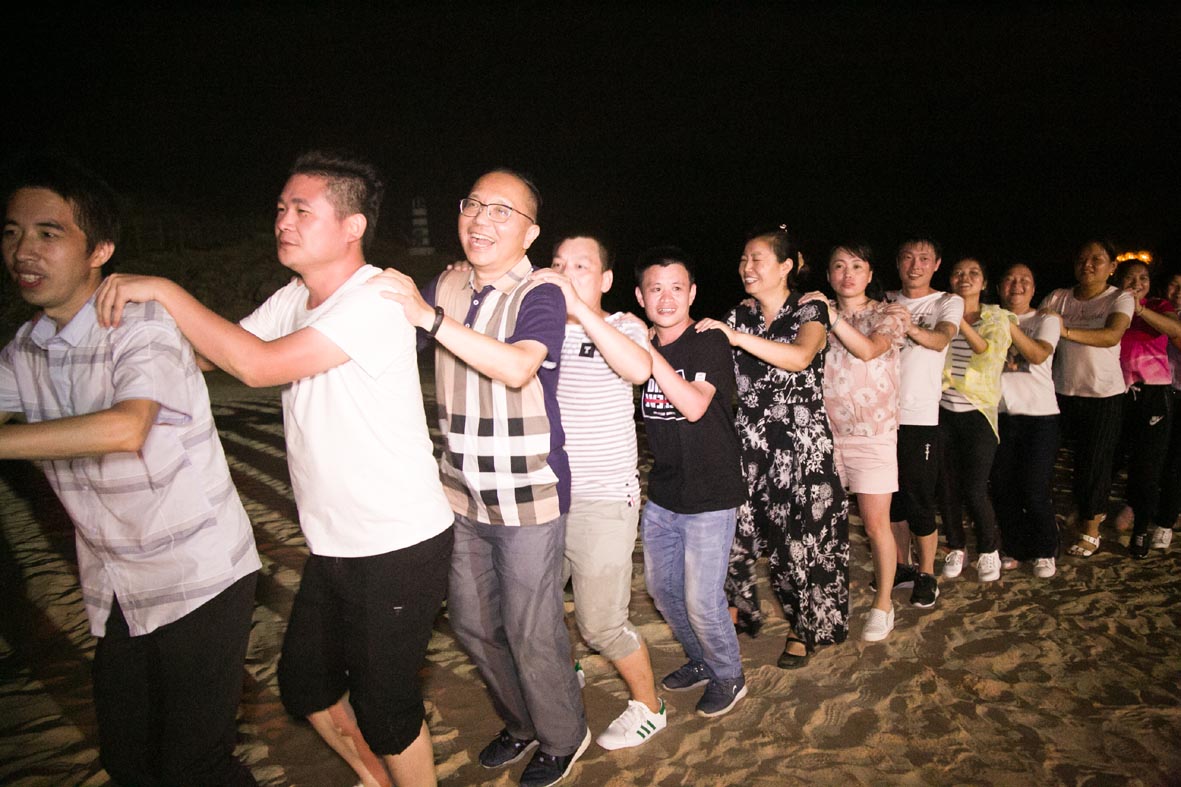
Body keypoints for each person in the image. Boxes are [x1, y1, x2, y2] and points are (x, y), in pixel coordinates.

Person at [95, 151, 454, 787]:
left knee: (386, 707)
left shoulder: (376, 299)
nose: (283, 221)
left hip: (398, 541)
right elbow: (217, 355)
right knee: (306, 685)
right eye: (281, 209)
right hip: (333, 541)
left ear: (352, 226)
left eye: (302, 211)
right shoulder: (295, 297)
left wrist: (166, 289)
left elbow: (258, 367)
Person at [0, 154, 261, 785]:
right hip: (117, 582)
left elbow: (126, 427)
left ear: (100, 250)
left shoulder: (141, 326)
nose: (23, 251)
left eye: (48, 233)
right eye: (12, 232)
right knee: (128, 761)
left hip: (198, 576)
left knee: (195, 765)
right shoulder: (25, 350)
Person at [372, 170, 589, 787]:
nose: (481, 219)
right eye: (473, 205)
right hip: (460, 492)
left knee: (530, 629)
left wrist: (429, 319)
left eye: (501, 211)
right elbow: (393, 342)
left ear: (530, 233)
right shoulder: (448, 283)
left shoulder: (541, 291)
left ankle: (563, 736)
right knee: (470, 623)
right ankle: (522, 722)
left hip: (529, 494)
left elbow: (519, 367)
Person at [530, 234, 666, 750]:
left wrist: (580, 310)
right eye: (558, 264)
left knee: (602, 623)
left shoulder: (622, 325)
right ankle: (568, 673)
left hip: (604, 498)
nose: (565, 273)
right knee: (537, 608)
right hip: (544, 494)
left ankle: (650, 707)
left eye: (581, 266)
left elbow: (638, 368)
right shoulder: (538, 327)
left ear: (606, 280)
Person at [698, 227, 850, 666]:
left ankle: (804, 626)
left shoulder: (810, 309)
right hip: (750, 442)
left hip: (801, 444)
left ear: (785, 266)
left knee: (799, 539)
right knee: (738, 533)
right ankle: (737, 613)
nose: (747, 267)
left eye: (757, 259)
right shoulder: (739, 314)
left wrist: (734, 337)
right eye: (743, 259)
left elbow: (800, 357)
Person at [633, 245, 749, 716]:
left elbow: (695, 405)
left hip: (711, 494)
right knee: (663, 591)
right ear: (640, 296)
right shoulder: (637, 345)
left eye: (676, 288)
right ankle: (701, 658)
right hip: (664, 492)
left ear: (692, 293)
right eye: (655, 289)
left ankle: (730, 675)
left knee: (702, 600)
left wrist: (647, 350)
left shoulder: (708, 340)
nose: (666, 298)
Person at [804, 242, 909, 642]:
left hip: (873, 434)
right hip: (824, 434)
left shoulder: (890, 313)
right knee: (822, 524)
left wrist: (829, 316)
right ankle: (825, 599)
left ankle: (883, 604)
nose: (847, 274)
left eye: (856, 266)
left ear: (870, 274)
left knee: (875, 523)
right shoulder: (815, 314)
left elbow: (868, 350)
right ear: (828, 274)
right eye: (838, 266)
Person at [1039, 240, 1133, 558]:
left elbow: (1111, 335)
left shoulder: (1119, 298)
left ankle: (1091, 530)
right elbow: (1036, 328)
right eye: (1081, 259)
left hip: (1103, 394)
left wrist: (1064, 331)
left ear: (1112, 266)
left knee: (1094, 464)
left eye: (1097, 259)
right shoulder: (1058, 297)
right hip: (1060, 392)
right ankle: (1064, 514)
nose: (1087, 265)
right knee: (1050, 460)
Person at [885, 237, 964, 608]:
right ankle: (902, 566)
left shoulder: (947, 301)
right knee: (890, 501)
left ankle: (927, 573)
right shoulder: (884, 300)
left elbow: (942, 338)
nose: (915, 265)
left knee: (919, 499)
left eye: (924, 258)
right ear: (897, 262)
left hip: (920, 416)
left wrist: (909, 327)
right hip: (881, 416)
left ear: (936, 264)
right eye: (907, 257)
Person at [937, 258, 1013, 582]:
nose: (964, 277)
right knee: (947, 486)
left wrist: (956, 319)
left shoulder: (997, 317)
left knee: (975, 487)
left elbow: (986, 351)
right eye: (958, 272)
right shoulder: (940, 311)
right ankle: (956, 546)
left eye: (973, 273)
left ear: (984, 282)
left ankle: (988, 549)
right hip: (942, 409)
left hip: (979, 413)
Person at [992, 263, 1062, 578]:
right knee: (1003, 486)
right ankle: (1015, 547)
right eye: (1009, 279)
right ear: (999, 287)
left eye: (1024, 280)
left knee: (1034, 486)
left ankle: (1046, 549)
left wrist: (1006, 324)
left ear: (1034, 289)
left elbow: (1037, 354)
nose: (1016, 285)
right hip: (1000, 414)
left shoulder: (1046, 320)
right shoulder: (989, 318)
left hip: (1040, 415)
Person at [1110, 259, 1181, 557]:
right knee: (1111, 458)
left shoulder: (1158, 306)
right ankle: (1096, 513)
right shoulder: (1110, 303)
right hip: (1118, 390)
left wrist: (1139, 308)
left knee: (1151, 466)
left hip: (1155, 392)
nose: (1137, 283)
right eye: (1130, 277)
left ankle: (1145, 529)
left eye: (1143, 278)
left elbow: (1175, 330)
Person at [1155, 270, 1181, 547]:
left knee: (1175, 461)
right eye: (1174, 285)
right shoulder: (1156, 311)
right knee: (1154, 457)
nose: (1178, 291)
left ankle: (1165, 522)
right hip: (1158, 391)